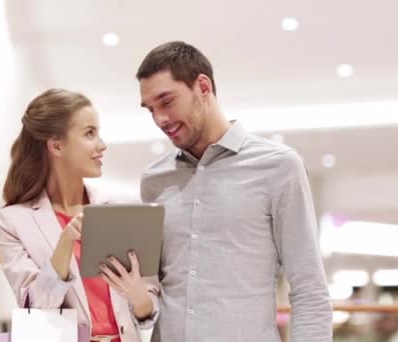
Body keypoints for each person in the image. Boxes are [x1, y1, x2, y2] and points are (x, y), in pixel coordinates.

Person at [137, 41, 332, 341]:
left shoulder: (279, 167)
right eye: (151, 109)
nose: (160, 119)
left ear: (203, 86)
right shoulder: (154, 181)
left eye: (167, 101)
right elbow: (152, 288)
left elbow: (309, 289)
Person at [0, 89, 159, 342]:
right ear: (56, 145)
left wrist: (139, 298)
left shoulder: (119, 208)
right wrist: (64, 244)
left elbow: (148, 307)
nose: (102, 145)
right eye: (89, 133)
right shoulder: (13, 221)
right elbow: (35, 305)